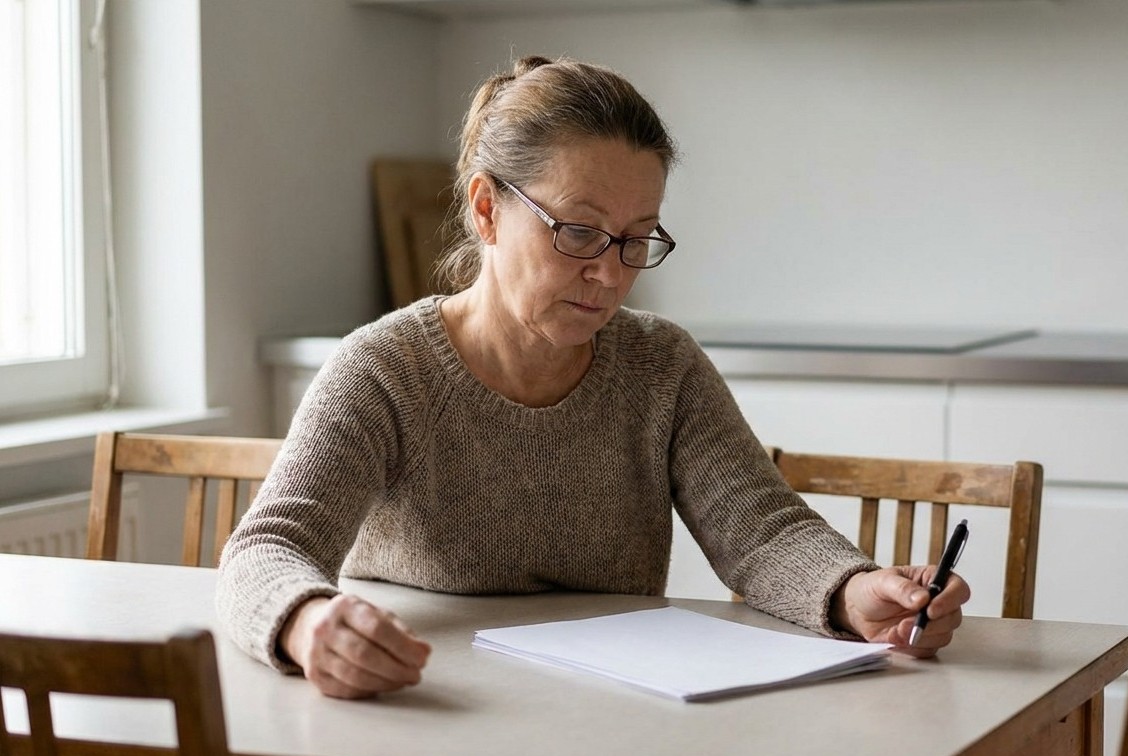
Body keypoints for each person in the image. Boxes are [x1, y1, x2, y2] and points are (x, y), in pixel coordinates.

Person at [216, 55, 970, 700]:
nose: (610, 275)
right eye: (578, 232)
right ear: (486, 209)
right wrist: (307, 622)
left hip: (618, 710)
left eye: (636, 240)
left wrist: (852, 591)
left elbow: (762, 532)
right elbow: (267, 548)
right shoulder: (385, 370)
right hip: (427, 705)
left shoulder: (662, 366)